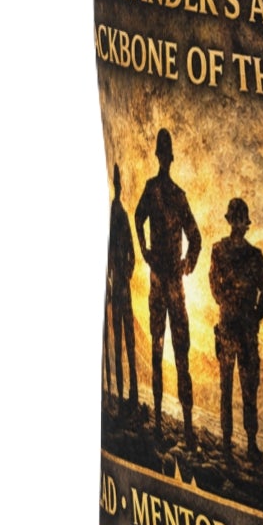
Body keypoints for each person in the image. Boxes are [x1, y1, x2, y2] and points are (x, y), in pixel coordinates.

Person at [134, 127, 201, 444]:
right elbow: (138, 217)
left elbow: (196, 236)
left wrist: (188, 262)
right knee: (157, 351)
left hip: (173, 282)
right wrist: (144, 249)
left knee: (182, 353)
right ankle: (160, 422)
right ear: (160, 156)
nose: (163, 158)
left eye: (166, 154)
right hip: (159, 281)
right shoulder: (151, 189)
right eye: (161, 154)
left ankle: (186, 426)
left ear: (169, 158)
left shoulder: (178, 195)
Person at [209, 196, 263, 460]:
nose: (238, 225)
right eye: (235, 219)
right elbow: (213, 282)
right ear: (231, 221)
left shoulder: (255, 256)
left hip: (246, 330)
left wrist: (255, 315)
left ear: (245, 224)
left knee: (249, 389)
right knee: (226, 388)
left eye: (241, 220)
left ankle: (251, 444)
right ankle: (226, 443)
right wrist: (227, 304)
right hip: (229, 327)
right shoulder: (219, 250)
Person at [104, 162, 137, 410]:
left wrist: (125, 274)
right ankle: (120, 392)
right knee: (119, 342)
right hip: (116, 286)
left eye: (118, 182)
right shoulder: (114, 214)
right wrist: (110, 277)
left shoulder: (122, 215)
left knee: (129, 341)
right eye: (116, 182)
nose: (118, 186)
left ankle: (131, 394)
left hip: (122, 286)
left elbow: (132, 254)